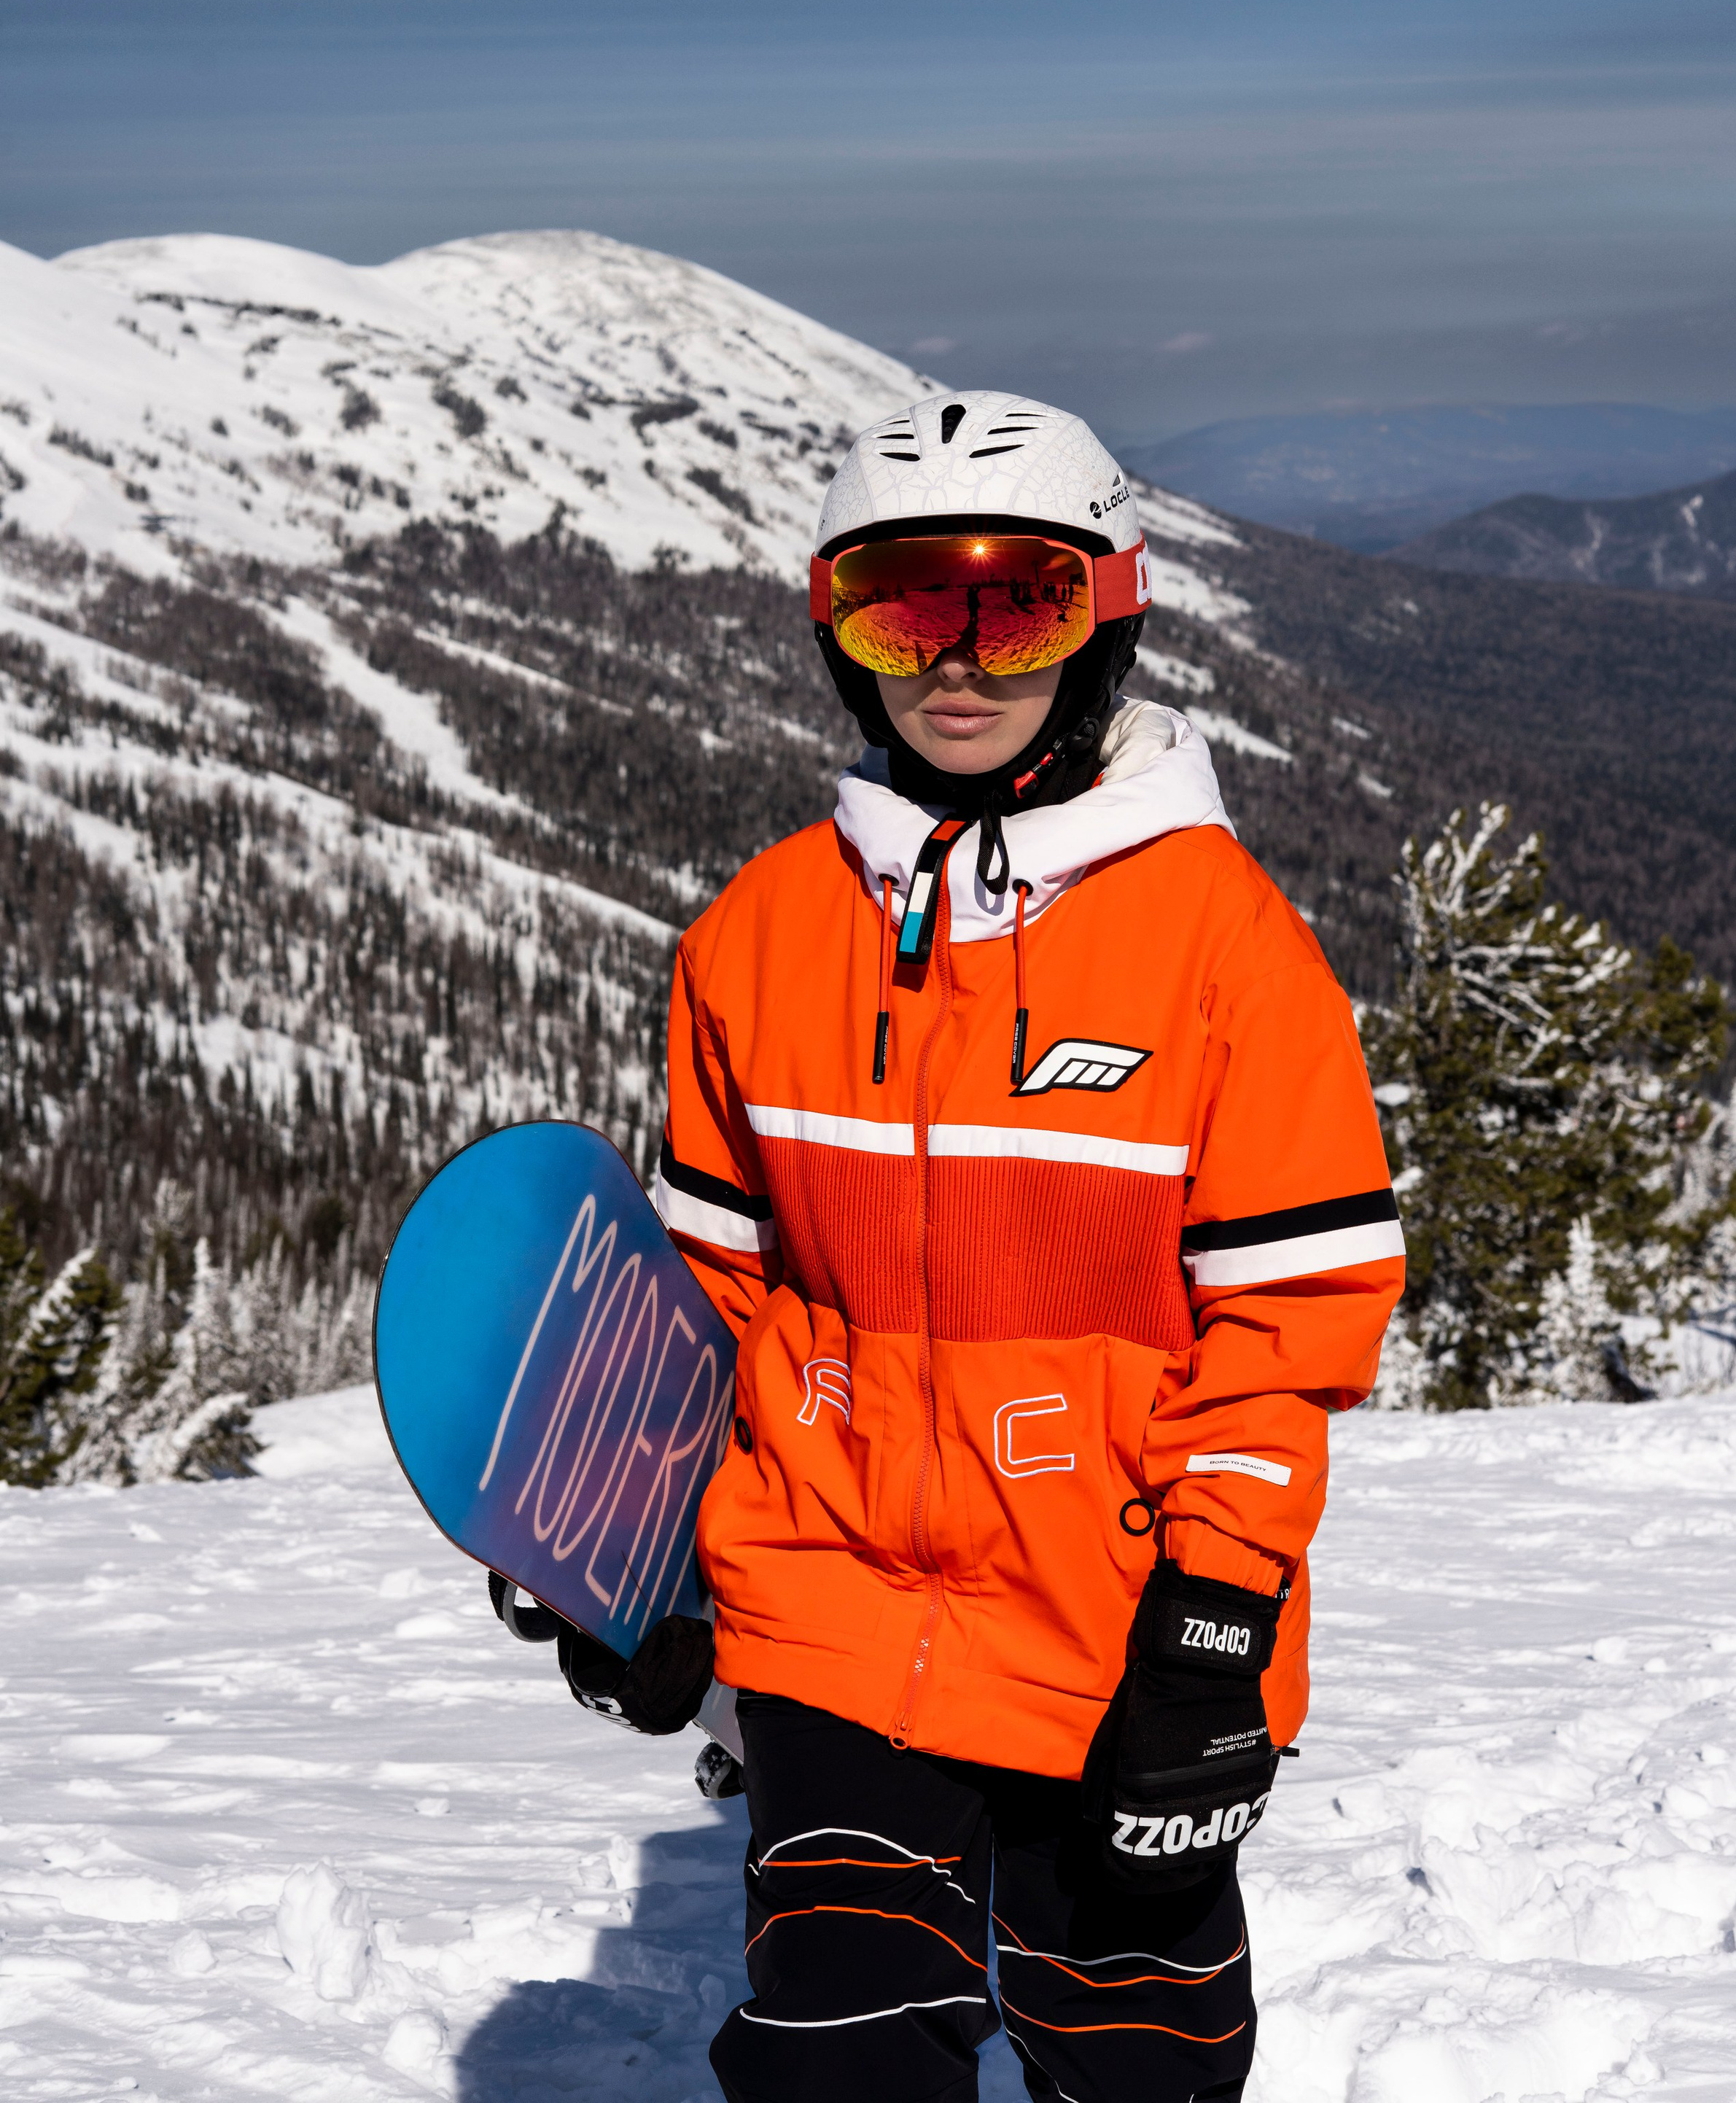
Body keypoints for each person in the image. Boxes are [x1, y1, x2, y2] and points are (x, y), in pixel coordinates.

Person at [566, 391, 1401, 2102]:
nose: (953, 664)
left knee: (1136, 2062)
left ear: (1103, 614)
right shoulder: (759, 934)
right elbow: (711, 1291)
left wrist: (1213, 1624)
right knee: (835, 2058)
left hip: (1113, 1626)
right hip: (825, 1612)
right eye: (897, 606)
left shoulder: (1225, 950)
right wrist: (632, 1556)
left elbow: (1287, 1323)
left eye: (1010, 605)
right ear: (834, 629)